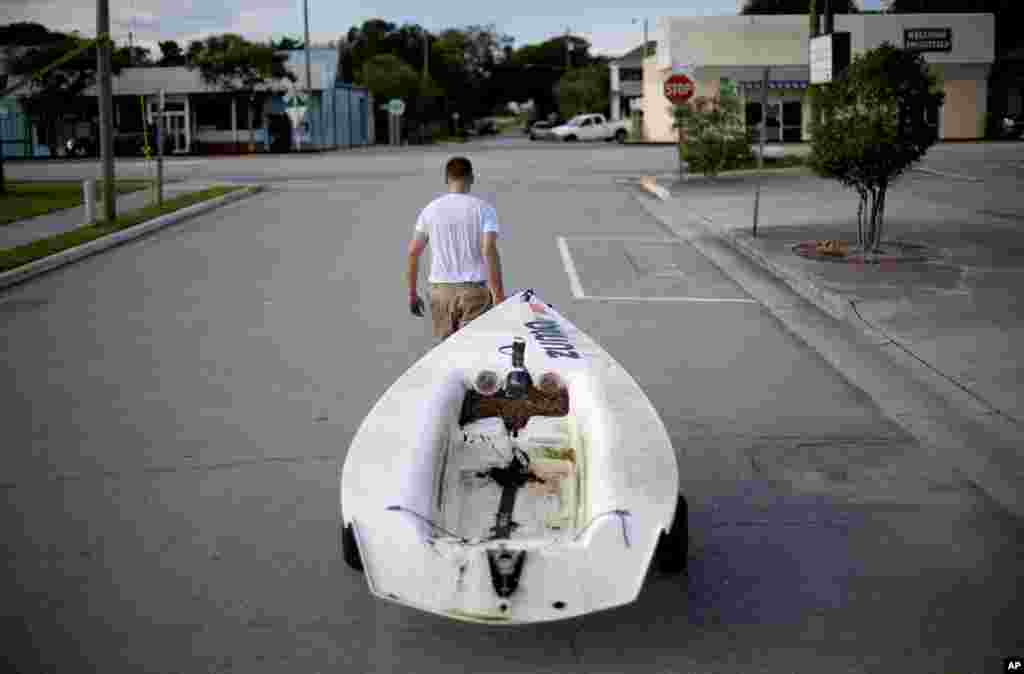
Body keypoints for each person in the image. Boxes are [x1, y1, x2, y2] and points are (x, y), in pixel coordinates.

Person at [407, 156, 506, 341]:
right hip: (474, 294)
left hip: (440, 292)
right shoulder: (484, 209)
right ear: (471, 178)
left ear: (446, 179)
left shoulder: (430, 210)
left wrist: (412, 294)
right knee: (475, 352)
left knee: (444, 355)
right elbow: (488, 249)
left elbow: (413, 252)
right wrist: (498, 294)